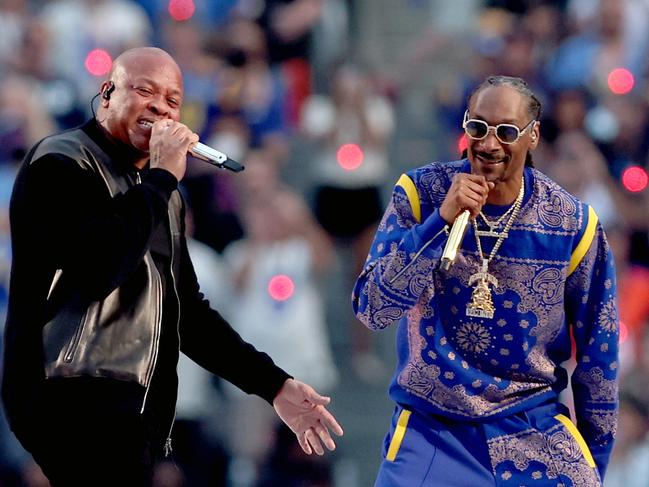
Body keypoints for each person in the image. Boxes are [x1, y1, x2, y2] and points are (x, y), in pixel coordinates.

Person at [1, 46, 343, 486]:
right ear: (106, 94)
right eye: (144, 90)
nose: (160, 106)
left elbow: (189, 314)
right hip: (70, 391)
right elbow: (98, 269)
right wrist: (162, 176)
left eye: (173, 100)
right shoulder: (61, 161)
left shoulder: (163, 194)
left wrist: (274, 385)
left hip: (134, 406)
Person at [352, 75, 618, 486]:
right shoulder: (422, 194)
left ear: (533, 137)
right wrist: (439, 222)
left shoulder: (573, 225)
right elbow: (371, 308)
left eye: (506, 132)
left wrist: (593, 465)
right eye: (477, 127)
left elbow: (599, 357)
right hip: (432, 422)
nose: (489, 144)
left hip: (533, 423)